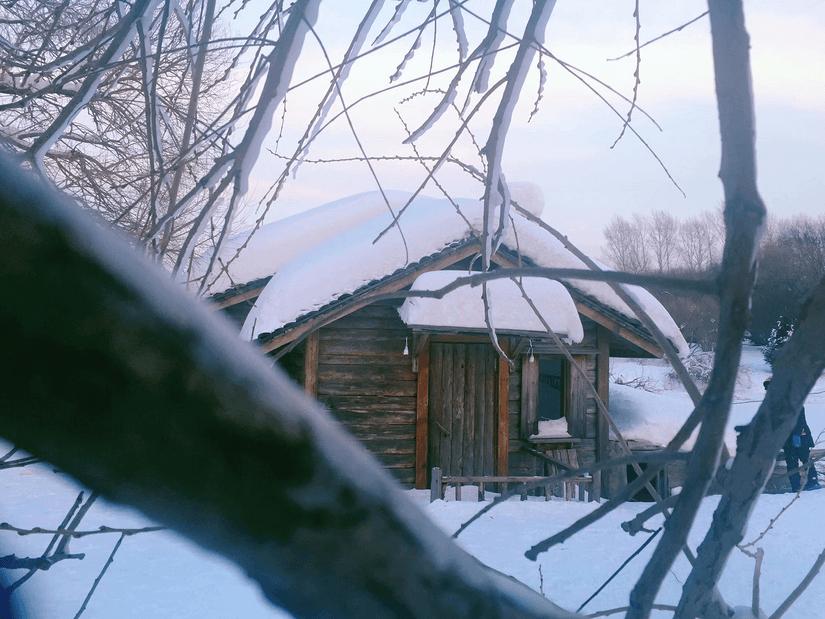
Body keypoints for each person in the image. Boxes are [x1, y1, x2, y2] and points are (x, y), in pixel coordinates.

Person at [765, 379, 820, 492]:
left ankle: (813, 482)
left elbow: (800, 419)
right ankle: (796, 486)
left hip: (800, 437)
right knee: (791, 463)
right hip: (786, 440)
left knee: (805, 459)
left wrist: (796, 435)